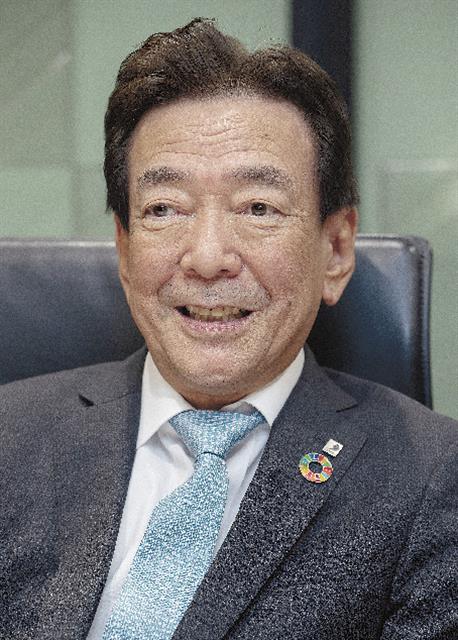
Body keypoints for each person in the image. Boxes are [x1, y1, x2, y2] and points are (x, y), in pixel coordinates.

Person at [1, 18, 456, 640]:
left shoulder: (432, 478)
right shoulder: (11, 439)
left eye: (258, 208)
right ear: (124, 249)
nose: (208, 257)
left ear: (336, 249)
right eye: (165, 209)